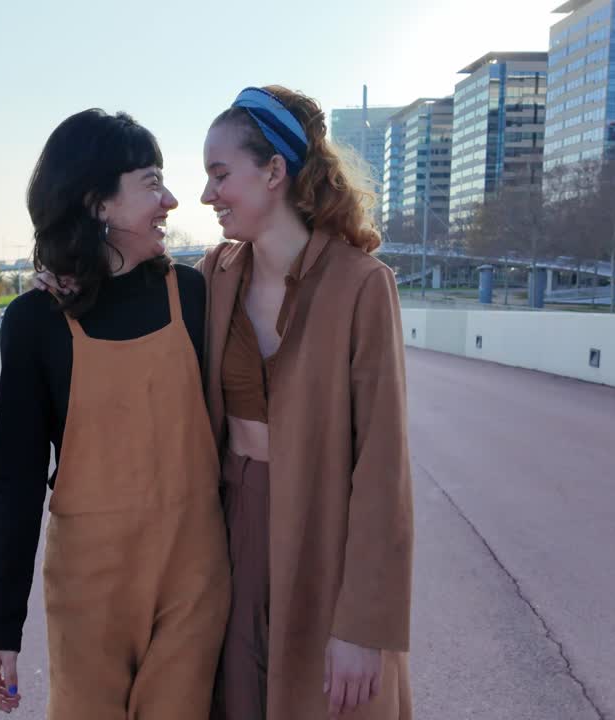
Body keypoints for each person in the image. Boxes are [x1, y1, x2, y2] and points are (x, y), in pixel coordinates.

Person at [0, 109, 230, 719]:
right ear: (99, 204)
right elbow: (13, 478)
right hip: (90, 591)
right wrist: (0, 629)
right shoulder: (36, 321)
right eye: (151, 183)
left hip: (193, 577)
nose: (171, 200)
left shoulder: (193, 296)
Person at [197, 86, 414, 720]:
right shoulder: (212, 276)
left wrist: (364, 627)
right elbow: (122, 290)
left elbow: (384, 466)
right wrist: (60, 275)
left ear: (273, 171)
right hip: (231, 532)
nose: (207, 195)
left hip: (326, 539)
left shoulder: (362, 284)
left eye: (219, 174)